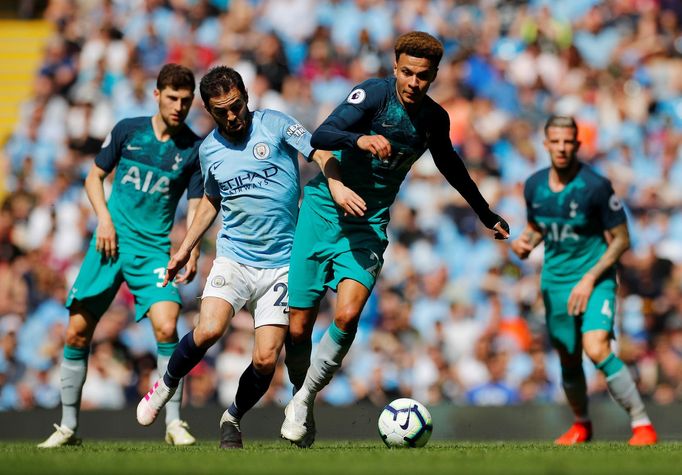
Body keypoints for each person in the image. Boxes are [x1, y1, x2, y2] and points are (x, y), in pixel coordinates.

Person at [280, 31, 510, 446]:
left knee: (347, 316)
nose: (413, 83)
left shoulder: (434, 119)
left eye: (422, 76)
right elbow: (321, 136)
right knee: (297, 330)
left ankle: (303, 398)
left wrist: (484, 212)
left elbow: (451, 166)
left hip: (369, 223)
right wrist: (360, 139)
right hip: (321, 211)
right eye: (406, 73)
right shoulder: (372, 95)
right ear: (394, 68)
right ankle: (301, 396)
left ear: (434, 75)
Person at [135, 66, 365, 449]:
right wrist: (186, 248)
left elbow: (320, 152)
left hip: (281, 265)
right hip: (235, 258)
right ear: (209, 111)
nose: (231, 116)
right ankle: (165, 385)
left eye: (237, 106)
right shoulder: (209, 150)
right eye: (221, 111)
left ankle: (233, 416)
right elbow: (211, 200)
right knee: (208, 330)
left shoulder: (274, 124)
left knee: (265, 360)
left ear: (246, 97)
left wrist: (337, 187)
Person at [38, 64, 203, 448]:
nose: (178, 106)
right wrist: (104, 220)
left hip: (153, 251)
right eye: (172, 97)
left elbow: (196, 205)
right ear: (157, 95)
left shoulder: (193, 149)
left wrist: (190, 249)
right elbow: (93, 177)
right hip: (109, 243)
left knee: (167, 325)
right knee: (78, 330)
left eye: (185, 99)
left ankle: (174, 423)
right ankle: (68, 426)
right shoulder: (129, 130)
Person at [511, 115, 657, 446]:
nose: (562, 148)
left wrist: (590, 278)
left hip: (595, 279)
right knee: (568, 356)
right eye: (556, 142)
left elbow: (621, 239)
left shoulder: (595, 186)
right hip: (555, 283)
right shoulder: (534, 185)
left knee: (597, 347)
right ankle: (581, 425)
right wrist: (525, 242)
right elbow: (538, 226)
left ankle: (642, 423)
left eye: (568, 142)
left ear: (577, 145)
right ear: (545, 144)